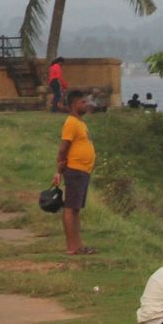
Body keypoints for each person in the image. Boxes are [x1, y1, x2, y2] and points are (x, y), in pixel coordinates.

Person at [54, 89, 95, 255]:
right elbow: (63, 148)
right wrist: (60, 167)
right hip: (75, 169)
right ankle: (72, 246)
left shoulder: (81, 123)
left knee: (76, 208)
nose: (86, 105)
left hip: (83, 170)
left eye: (86, 102)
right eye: (82, 102)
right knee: (70, 207)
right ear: (73, 105)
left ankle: (78, 245)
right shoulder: (71, 122)